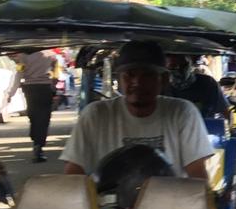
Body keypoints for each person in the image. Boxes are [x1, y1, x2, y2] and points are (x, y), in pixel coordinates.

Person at [61, 41, 213, 180]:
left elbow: (197, 174)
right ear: (119, 79)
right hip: (107, 206)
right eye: (130, 75)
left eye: (147, 75)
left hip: (168, 205)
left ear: (164, 79)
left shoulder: (183, 113)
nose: (137, 82)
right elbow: (74, 172)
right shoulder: (95, 115)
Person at [12, 50, 58, 162]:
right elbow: (56, 72)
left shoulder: (22, 55)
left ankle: (35, 139)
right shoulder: (51, 55)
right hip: (45, 88)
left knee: (33, 115)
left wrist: (11, 92)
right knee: (44, 118)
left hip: (30, 88)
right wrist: (54, 83)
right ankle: (39, 145)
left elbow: (19, 73)